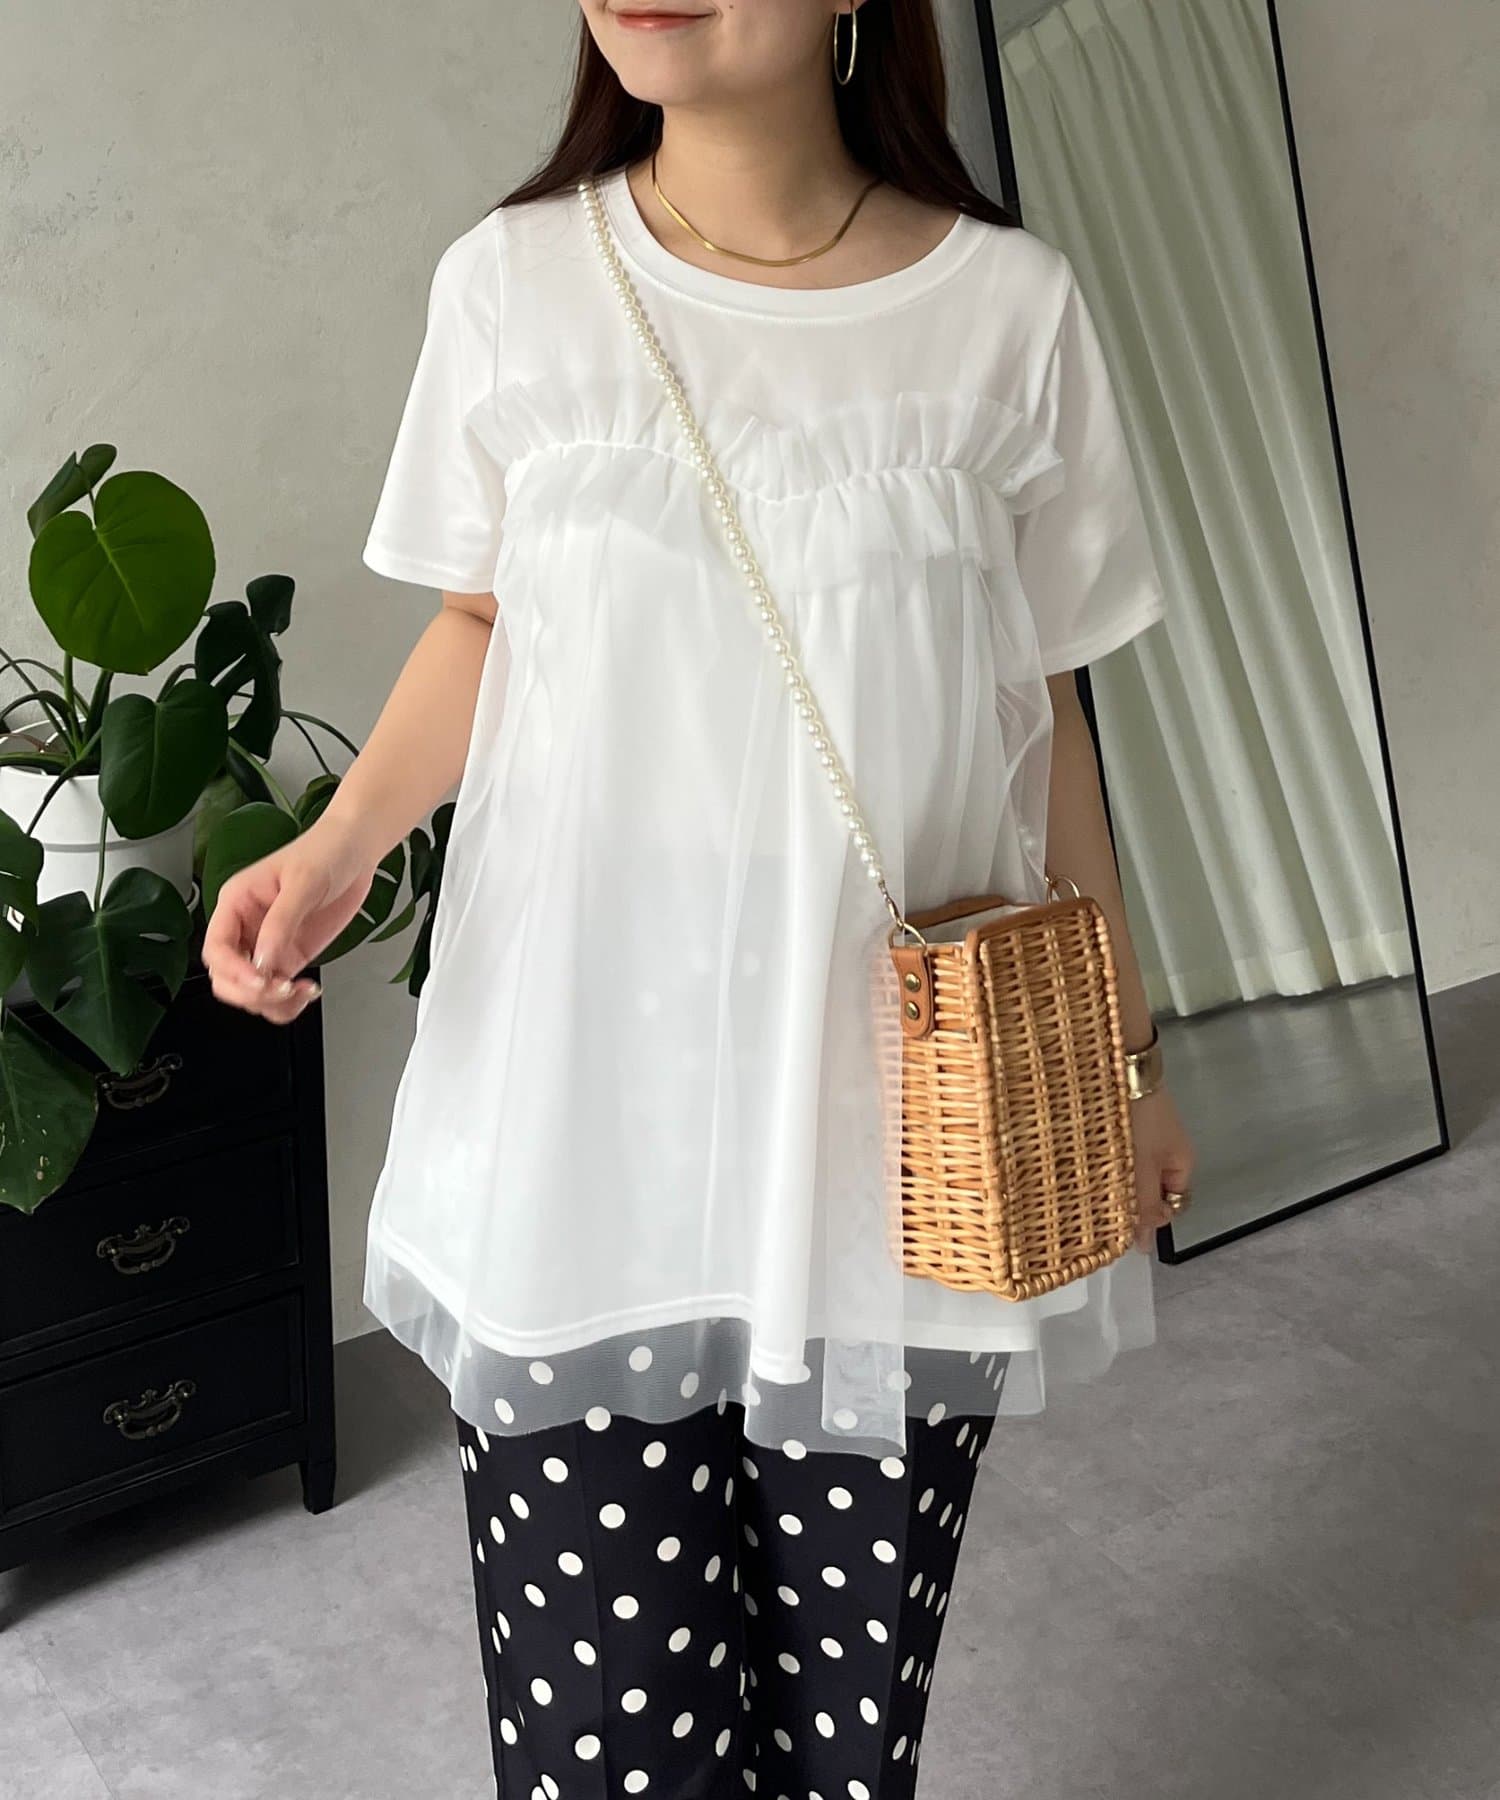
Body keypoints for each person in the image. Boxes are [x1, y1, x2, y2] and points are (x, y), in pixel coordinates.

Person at [202, 2, 1197, 1793]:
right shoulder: (514, 287)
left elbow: (1046, 711)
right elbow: (482, 621)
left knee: (849, 1747)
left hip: (893, 1164)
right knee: (608, 1754)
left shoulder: (1007, 313)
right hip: (582, 1145)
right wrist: (332, 851)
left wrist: (1122, 1061)